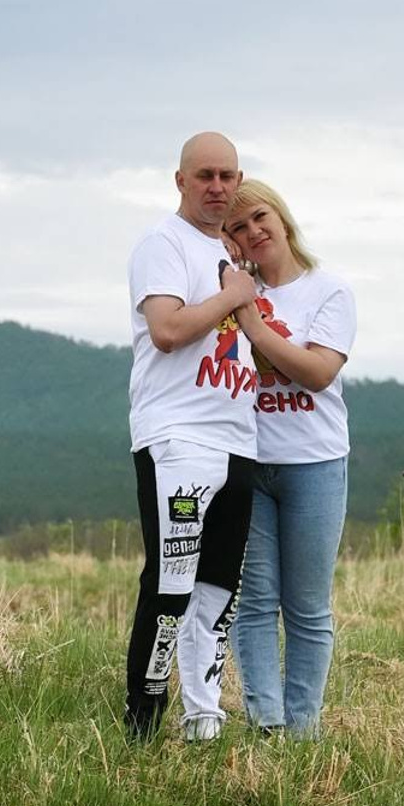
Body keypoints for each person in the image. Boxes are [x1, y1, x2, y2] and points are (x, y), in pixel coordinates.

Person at [125, 132, 261, 741]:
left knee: (217, 590)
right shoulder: (163, 243)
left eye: (227, 176)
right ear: (180, 180)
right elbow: (167, 329)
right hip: (179, 439)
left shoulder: (231, 254)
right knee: (171, 586)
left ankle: (204, 722)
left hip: (238, 442)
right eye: (204, 175)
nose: (217, 187)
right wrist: (233, 296)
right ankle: (143, 724)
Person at [223, 181, 356, 739]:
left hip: (314, 463)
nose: (253, 231)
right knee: (251, 603)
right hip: (246, 463)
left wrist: (252, 323)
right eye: (236, 228)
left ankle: (303, 733)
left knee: (306, 606)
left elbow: (318, 373)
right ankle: (267, 728)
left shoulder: (329, 292)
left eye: (258, 217)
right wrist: (229, 284)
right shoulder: (228, 290)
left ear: (280, 216)